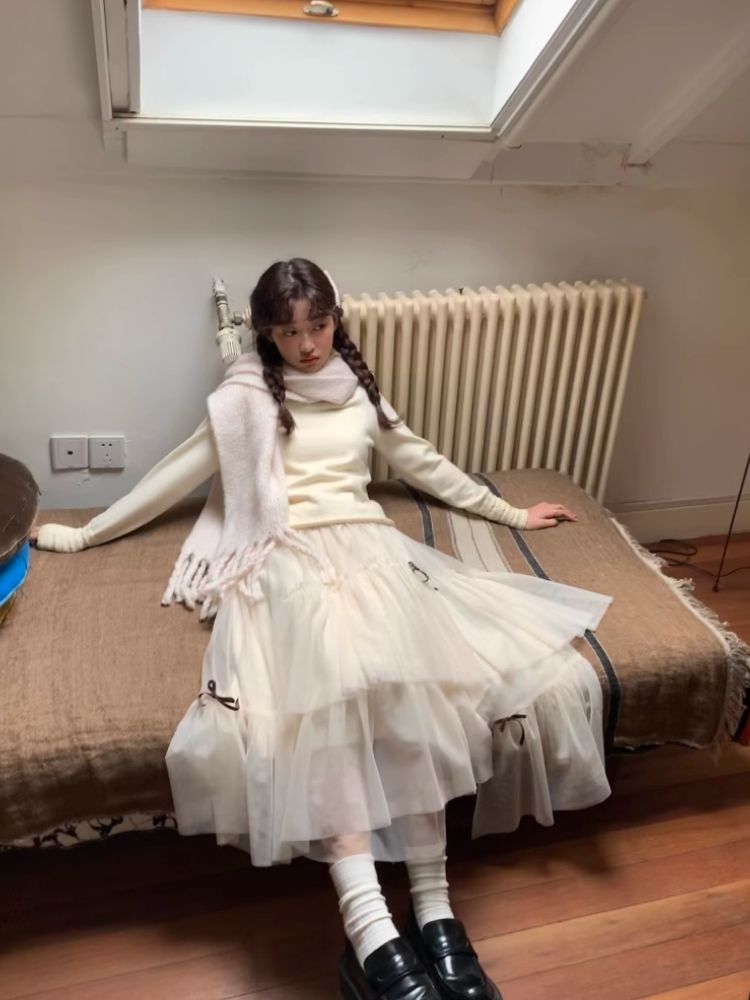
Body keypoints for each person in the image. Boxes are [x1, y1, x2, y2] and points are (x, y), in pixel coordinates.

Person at [34, 258, 612, 1000]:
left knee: (413, 701)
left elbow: (423, 462)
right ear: (266, 334)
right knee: (332, 708)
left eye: (319, 325)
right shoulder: (244, 401)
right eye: (288, 332)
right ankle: (371, 934)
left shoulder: (360, 392)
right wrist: (84, 535)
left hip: (372, 555)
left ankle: (436, 913)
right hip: (287, 562)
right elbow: (170, 477)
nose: (307, 345)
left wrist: (510, 512)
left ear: (337, 319)